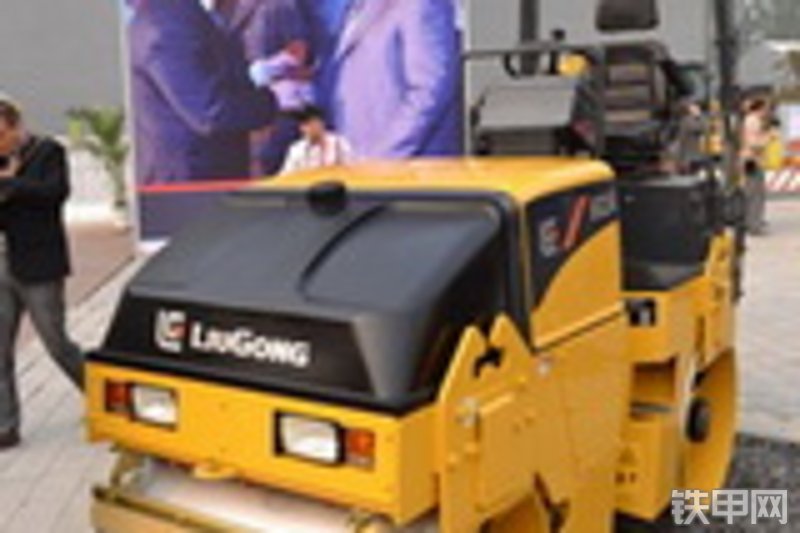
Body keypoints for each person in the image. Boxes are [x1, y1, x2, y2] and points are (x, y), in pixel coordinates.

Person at [0, 98, 83, 450]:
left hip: (39, 265)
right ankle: (6, 426)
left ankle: (102, 396)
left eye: (1, 134)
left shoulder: (47, 152)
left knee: (56, 343)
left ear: (16, 127)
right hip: (3, 263)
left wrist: (12, 184)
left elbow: (55, 193)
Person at [128, 0, 277, 184]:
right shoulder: (167, 23)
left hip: (205, 177)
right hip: (191, 184)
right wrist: (270, 104)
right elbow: (209, 112)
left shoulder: (176, 14)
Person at [320, 0, 462, 159]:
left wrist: (378, 157)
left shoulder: (421, 4)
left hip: (407, 168)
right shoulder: (353, 10)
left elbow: (429, 93)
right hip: (357, 164)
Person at [216, 0, 317, 174]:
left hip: (281, 113)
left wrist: (265, 70)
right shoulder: (222, 11)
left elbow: (299, 52)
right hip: (247, 117)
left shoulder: (279, 5)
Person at [281, 106, 354, 174]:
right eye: (304, 125)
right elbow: (286, 176)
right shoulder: (297, 149)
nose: (307, 129)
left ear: (321, 123)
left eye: (311, 123)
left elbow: (351, 171)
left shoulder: (339, 144)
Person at [740, 99, 771, 236]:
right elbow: (753, 143)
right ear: (759, 108)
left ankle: (751, 222)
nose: (766, 111)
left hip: (750, 160)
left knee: (752, 193)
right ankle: (754, 225)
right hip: (753, 160)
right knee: (756, 194)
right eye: (765, 108)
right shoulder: (753, 121)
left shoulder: (750, 120)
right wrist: (767, 139)